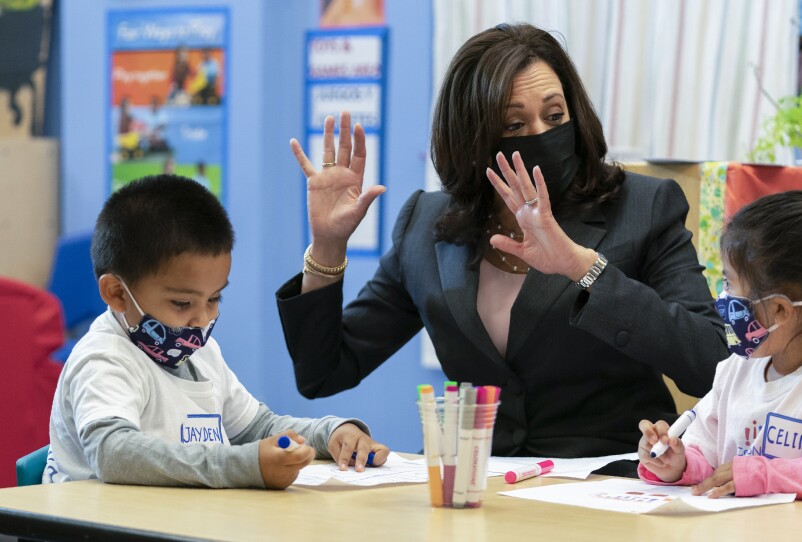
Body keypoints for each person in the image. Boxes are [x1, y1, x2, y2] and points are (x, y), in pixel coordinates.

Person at [277, 23, 729, 465]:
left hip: (607, 479)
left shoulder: (642, 206)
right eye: (514, 123)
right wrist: (328, 248)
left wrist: (583, 267)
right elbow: (324, 371)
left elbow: (711, 361)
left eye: (554, 117)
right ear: (472, 138)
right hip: (474, 479)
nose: (540, 135)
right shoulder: (425, 222)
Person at [45, 175, 389, 488]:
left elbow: (258, 428)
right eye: (182, 303)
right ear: (117, 293)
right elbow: (114, 453)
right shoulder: (104, 358)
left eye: (214, 298)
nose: (202, 319)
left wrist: (329, 433)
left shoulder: (200, 353)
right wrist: (242, 465)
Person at [637, 191, 802, 502]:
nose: (722, 298)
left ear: (780, 309)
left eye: (729, 283)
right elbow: (708, 458)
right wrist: (676, 463)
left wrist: (768, 475)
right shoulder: (736, 369)